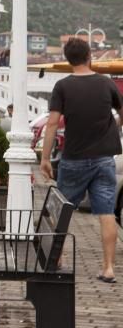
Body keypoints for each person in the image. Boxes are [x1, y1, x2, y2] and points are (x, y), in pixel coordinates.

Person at [40, 37, 123, 284]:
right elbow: (121, 111)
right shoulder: (106, 84)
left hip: (74, 159)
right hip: (104, 159)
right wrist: (116, 126)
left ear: (68, 59)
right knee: (106, 212)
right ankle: (108, 268)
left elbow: (52, 123)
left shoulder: (63, 86)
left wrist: (45, 158)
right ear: (89, 56)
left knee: (63, 210)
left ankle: (57, 259)